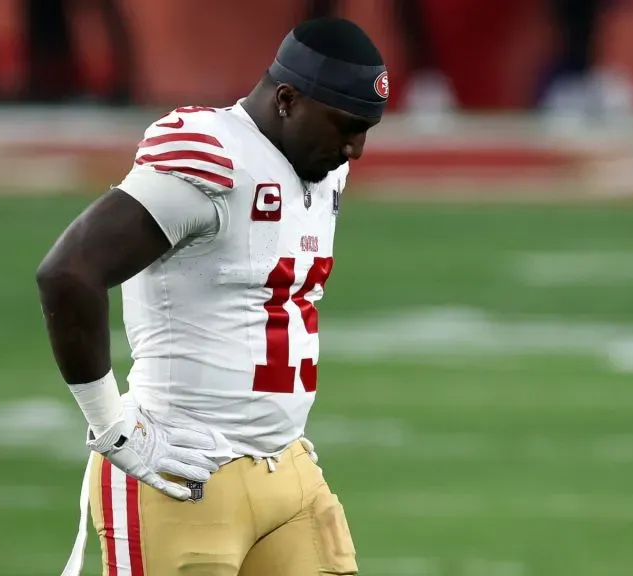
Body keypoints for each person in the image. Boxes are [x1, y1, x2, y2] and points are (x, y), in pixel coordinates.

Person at [36, 16, 387, 576]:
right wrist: (112, 428)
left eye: (367, 127)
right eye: (346, 125)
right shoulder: (212, 152)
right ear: (288, 99)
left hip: (287, 469)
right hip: (179, 472)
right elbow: (69, 271)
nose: (357, 148)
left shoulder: (322, 167)